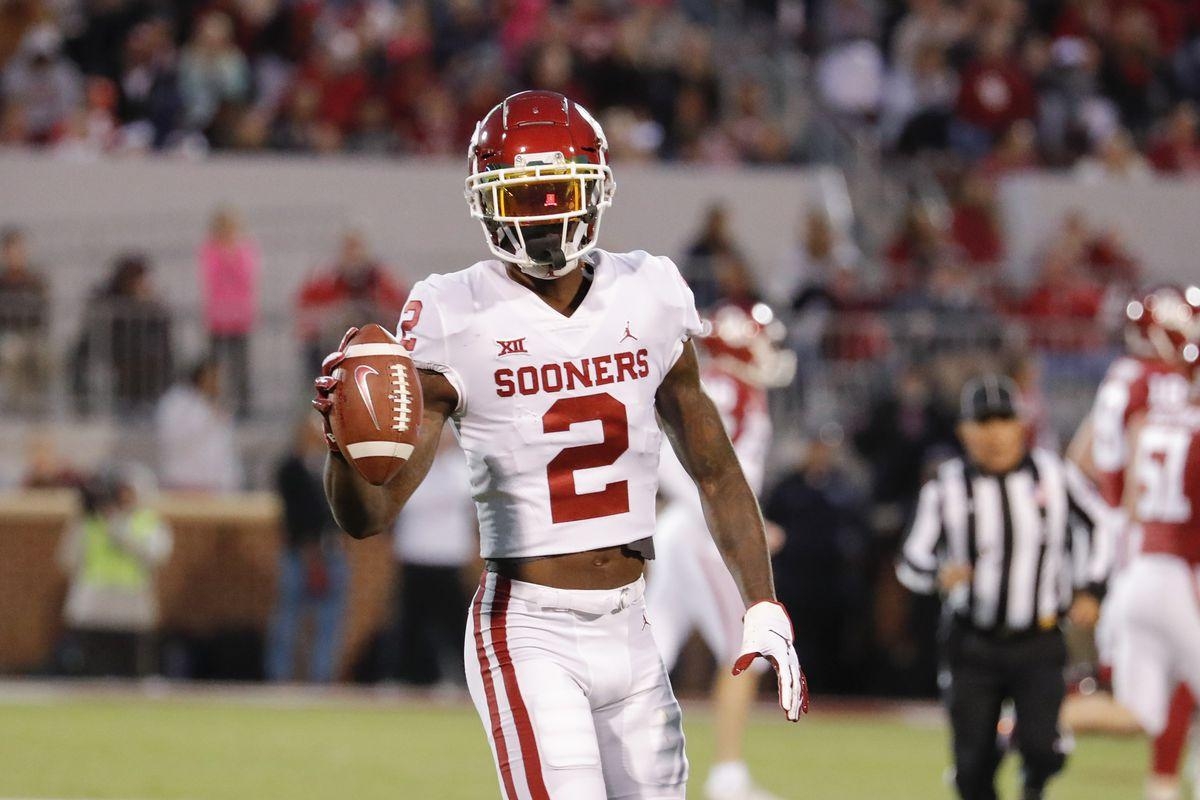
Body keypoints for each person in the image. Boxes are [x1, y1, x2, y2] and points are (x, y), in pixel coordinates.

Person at [313, 90, 808, 800]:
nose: (543, 215)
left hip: (631, 628)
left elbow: (717, 471)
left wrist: (761, 602)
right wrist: (345, 445)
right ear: (487, 203)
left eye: (556, 191)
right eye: (521, 196)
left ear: (595, 189)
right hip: (529, 630)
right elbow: (370, 513)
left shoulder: (649, 290)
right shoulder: (455, 311)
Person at [896, 375, 1113, 800]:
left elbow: (1101, 525)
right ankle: (991, 754)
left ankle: (1033, 776)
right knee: (971, 770)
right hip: (971, 643)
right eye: (984, 423)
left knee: (1042, 748)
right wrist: (939, 573)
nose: (995, 433)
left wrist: (1092, 587)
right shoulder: (945, 487)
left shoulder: (1053, 473)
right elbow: (911, 560)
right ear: (965, 431)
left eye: (1003, 421)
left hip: (1039, 638)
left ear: (1020, 425)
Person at [646, 302, 795, 800]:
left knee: (650, 648)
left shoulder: (715, 384)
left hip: (681, 528)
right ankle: (727, 777)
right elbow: (684, 465)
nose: (768, 350)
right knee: (746, 651)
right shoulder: (732, 390)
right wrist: (735, 524)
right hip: (701, 536)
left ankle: (610, 758)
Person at [1067, 285, 1200, 800]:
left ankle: (1032, 718)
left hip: (1129, 549)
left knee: (1143, 701)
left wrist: (1105, 521)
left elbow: (1083, 458)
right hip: (1166, 547)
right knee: (1176, 675)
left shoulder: (1120, 376)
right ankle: (1166, 781)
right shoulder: (1164, 384)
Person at [1111, 328, 1200, 800]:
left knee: (1141, 713)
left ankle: (1031, 720)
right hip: (1183, 575)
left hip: (1141, 566)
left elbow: (1130, 505)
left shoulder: (1152, 422)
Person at [57, 468, 173, 677]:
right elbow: (67, 559)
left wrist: (117, 527)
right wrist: (81, 519)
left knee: (134, 673)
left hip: (132, 606)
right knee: (89, 673)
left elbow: (157, 554)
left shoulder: (147, 521)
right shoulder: (89, 521)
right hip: (93, 605)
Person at [389, 426, 475, 686]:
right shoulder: (410, 467)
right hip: (415, 554)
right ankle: (408, 676)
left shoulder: (463, 468)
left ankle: (465, 678)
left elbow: (469, 499)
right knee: (412, 621)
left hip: (449, 556)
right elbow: (406, 502)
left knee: (455, 622)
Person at [266, 418, 347, 683]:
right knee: (288, 619)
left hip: (331, 551)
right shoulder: (290, 468)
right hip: (300, 553)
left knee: (328, 622)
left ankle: (321, 679)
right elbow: (296, 514)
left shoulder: (332, 465)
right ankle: (279, 677)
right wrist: (309, 550)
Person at [296, 228, 408, 378]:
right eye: (349, 249)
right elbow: (305, 312)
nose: (353, 255)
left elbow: (400, 312)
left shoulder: (381, 280)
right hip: (330, 349)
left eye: (356, 249)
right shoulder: (325, 280)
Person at [199, 206, 258, 418]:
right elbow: (211, 277)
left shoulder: (245, 249)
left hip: (239, 318)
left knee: (240, 365)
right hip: (217, 318)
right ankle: (211, 402)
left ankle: (244, 405)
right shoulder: (209, 250)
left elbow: (247, 277)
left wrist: (231, 258)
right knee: (214, 365)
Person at [155, 357, 242, 492]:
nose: (219, 383)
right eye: (215, 377)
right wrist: (207, 419)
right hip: (184, 482)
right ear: (203, 377)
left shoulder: (216, 404)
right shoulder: (177, 402)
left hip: (217, 484)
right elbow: (173, 439)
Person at [0, 226, 49, 413]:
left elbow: (42, 312)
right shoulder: (2, 281)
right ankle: (12, 406)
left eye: (19, 250)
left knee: (45, 356)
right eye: (12, 250)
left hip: (32, 334)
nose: (16, 255)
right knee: (10, 353)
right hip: (7, 336)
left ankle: (36, 404)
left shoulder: (35, 280)